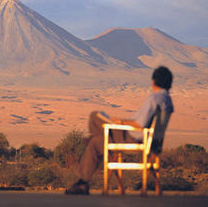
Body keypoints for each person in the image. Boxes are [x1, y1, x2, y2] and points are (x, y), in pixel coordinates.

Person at [65, 66, 174, 195]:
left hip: (133, 137)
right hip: (151, 141)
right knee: (96, 143)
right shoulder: (167, 100)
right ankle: (82, 183)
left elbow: (141, 124)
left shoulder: (154, 99)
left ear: (154, 81)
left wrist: (120, 122)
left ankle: (83, 179)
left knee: (95, 116)